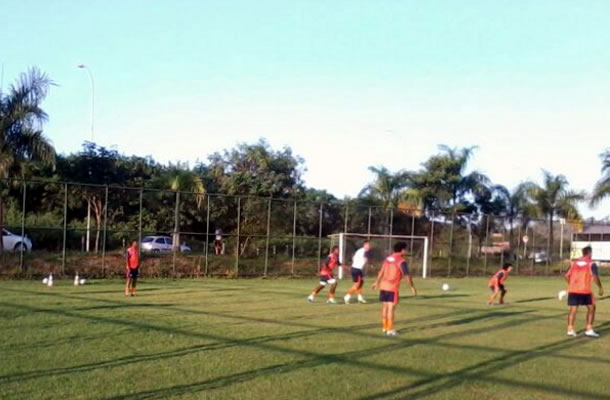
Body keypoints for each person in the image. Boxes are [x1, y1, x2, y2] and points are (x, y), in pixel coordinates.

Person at [372, 242, 417, 336]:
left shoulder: (388, 259)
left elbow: (381, 271)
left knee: (385, 306)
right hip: (392, 287)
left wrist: (377, 282)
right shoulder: (401, 261)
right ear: (403, 250)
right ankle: (390, 329)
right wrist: (412, 287)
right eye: (406, 249)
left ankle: (384, 327)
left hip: (383, 286)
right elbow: (407, 276)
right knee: (391, 308)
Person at [565, 246, 604, 338]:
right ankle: (589, 329)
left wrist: (572, 284)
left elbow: (566, 276)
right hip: (585, 290)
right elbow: (594, 277)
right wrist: (600, 287)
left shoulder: (574, 263)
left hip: (573, 290)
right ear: (589, 253)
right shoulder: (591, 263)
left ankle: (570, 329)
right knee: (591, 308)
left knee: (573, 309)